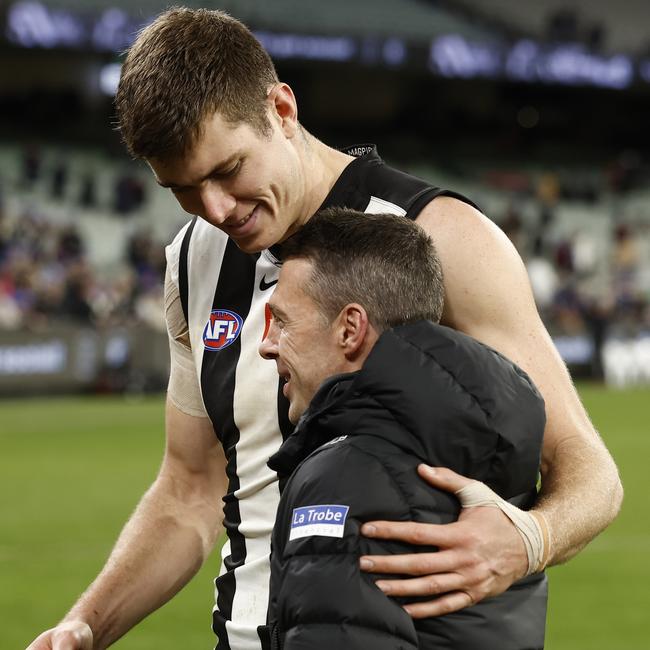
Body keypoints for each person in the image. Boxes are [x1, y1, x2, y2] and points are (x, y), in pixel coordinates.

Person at [27, 7, 622, 650]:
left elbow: (591, 474)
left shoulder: (441, 237)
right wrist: (87, 623)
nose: (216, 209)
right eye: (184, 189)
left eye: (227, 171)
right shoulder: (192, 260)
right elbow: (189, 492)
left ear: (281, 109)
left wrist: (529, 540)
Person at [262, 208, 548, 649]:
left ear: (350, 329)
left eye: (282, 321)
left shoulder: (345, 476)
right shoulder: (475, 451)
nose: (268, 345)